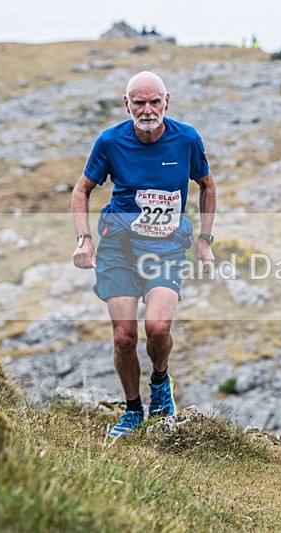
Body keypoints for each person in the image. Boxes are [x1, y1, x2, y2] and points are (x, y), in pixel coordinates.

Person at [72, 71, 217, 437]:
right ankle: (133, 410)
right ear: (127, 104)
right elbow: (81, 191)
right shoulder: (110, 141)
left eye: (154, 102)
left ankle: (160, 383)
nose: (148, 110)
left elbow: (207, 185)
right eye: (139, 103)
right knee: (124, 337)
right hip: (118, 247)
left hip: (166, 247)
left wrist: (205, 241)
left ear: (167, 100)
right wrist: (83, 239)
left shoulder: (186, 138)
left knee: (157, 327)